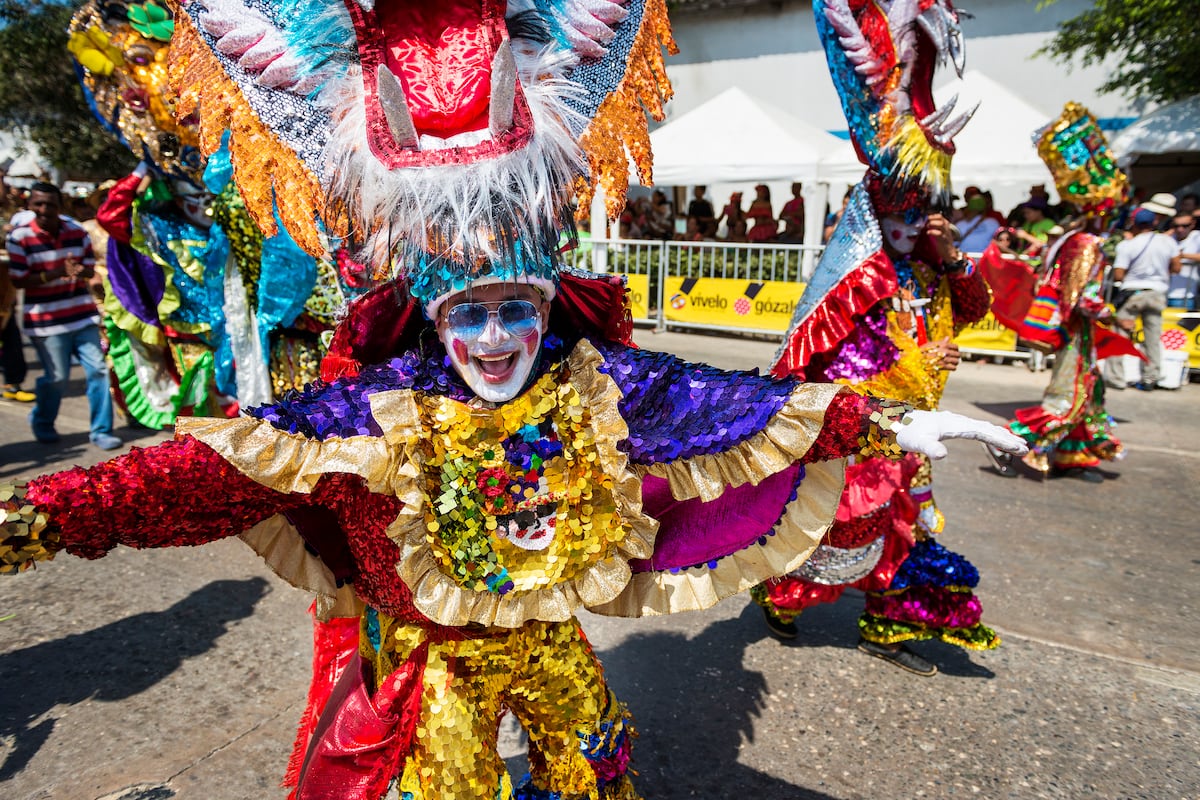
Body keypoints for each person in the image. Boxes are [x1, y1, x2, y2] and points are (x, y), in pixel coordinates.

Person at [986, 231, 1122, 483]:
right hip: (1074, 335)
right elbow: (1080, 297)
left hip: (1079, 335)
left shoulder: (1075, 239)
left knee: (1088, 397)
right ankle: (1003, 439)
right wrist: (1111, 314)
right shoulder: (1085, 243)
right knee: (1068, 399)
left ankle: (1072, 457)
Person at [4, 182, 121, 450]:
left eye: (51, 204)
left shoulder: (77, 232)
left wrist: (79, 272)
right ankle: (43, 421)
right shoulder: (20, 238)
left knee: (99, 371)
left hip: (81, 316)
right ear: (30, 206)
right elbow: (19, 280)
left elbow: (89, 270)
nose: (45, 210)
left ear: (61, 206)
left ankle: (101, 431)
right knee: (57, 378)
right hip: (45, 323)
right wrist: (56, 273)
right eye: (38, 204)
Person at [1103, 208, 1182, 390]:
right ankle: (1151, 376)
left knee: (1120, 334)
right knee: (1152, 336)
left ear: (1135, 223)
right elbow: (1177, 267)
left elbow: (1118, 274)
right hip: (1157, 293)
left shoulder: (1128, 245)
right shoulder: (1167, 242)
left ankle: (1116, 378)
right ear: (1154, 222)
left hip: (1133, 293)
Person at [1168, 212, 1200, 309]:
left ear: (1192, 224)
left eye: (1185, 226)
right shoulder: (1168, 238)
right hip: (1162, 293)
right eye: (1176, 226)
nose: (1180, 229)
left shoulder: (1197, 237)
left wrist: (1182, 255)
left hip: (1186, 296)